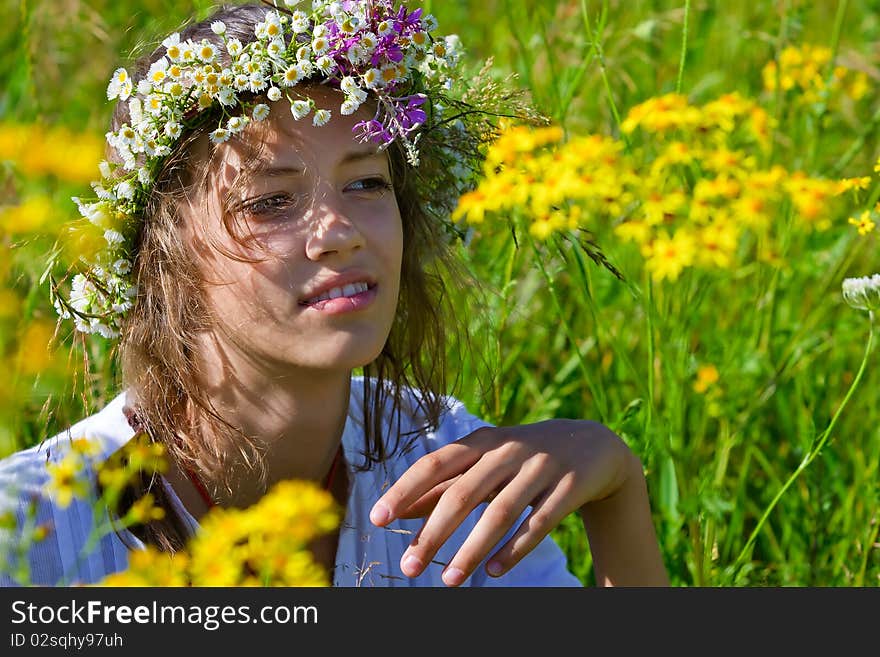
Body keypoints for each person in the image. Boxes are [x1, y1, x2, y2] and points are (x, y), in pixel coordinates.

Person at [0, 0, 668, 588]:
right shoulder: (28, 529)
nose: (339, 232)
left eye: (367, 183)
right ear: (164, 257)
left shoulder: (447, 461)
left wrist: (615, 488)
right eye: (269, 201)